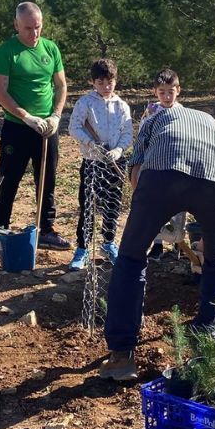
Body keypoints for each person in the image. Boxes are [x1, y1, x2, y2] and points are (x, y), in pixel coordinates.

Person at [98, 95, 215, 381]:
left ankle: (122, 356)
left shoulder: (155, 119)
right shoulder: (211, 122)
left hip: (164, 172)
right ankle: (208, 344)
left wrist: (146, 218)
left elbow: (136, 171)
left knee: (131, 257)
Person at [0, 2, 71, 250]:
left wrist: (55, 116)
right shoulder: (6, 51)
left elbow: (61, 85)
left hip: (46, 127)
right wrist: (26, 116)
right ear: (16, 25)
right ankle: (0, 229)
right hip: (18, 127)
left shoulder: (50, 48)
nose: (34, 33)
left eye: (38, 27)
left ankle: (46, 229)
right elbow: (0, 91)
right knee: (8, 178)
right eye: (28, 28)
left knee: (47, 178)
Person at [68, 58, 133, 271]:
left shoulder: (122, 106)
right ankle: (82, 248)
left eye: (110, 82)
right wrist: (91, 143)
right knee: (88, 205)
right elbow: (74, 127)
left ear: (116, 81)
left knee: (112, 205)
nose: (106, 87)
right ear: (93, 82)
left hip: (114, 162)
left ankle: (108, 243)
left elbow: (127, 132)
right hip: (92, 162)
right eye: (101, 82)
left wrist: (119, 150)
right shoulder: (85, 103)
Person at [142, 69, 187, 261]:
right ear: (155, 92)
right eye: (162, 92)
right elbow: (143, 135)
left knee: (179, 205)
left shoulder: (183, 112)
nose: (167, 97)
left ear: (178, 90)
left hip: (177, 165)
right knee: (156, 206)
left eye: (171, 92)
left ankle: (178, 244)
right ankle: (158, 244)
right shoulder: (151, 111)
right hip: (156, 165)